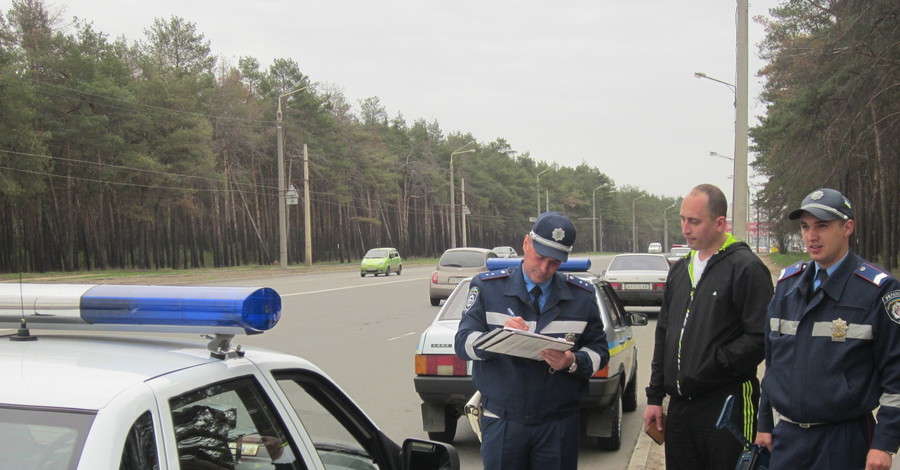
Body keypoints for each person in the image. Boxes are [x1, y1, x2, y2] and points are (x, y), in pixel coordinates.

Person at [755, 188, 900, 470]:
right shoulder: (788, 286)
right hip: (788, 439)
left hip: (843, 440)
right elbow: (773, 364)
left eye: (822, 226)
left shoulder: (877, 290)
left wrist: (885, 442)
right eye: (805, 226)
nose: (812, 236)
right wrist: (764, 423)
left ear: (848, 227)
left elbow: (896, 374)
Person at [454, 211, 608, 470]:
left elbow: (600, 351)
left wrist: (572, 360)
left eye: (554, 263)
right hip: (503, 421)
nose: (544, 269)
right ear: (526, 244)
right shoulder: (489, 288)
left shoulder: (581, 295)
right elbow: (463, 343)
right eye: (539, 258)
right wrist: (497, 337)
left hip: (558, 424)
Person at [643, 184, 773, 470]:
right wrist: (655, 396)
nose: (685, 228)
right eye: (682, 219)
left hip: (727, 406)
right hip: (679, 409)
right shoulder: (680, 269)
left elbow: (760, 337)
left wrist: (713, 363)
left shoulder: (746, 268)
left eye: (694, 221)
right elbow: (664, 334)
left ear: (720, 223)